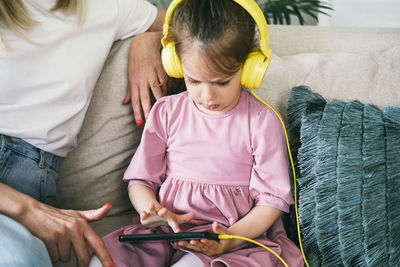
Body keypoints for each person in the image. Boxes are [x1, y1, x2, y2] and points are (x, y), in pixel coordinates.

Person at [93, 0, 305, 266]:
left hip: (233, 242)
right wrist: (150, 209)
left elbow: (272, 202)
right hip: (162, 235)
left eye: (222, 81)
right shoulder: (166, 112)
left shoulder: (262, 121)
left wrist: (232, 237)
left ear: (249, 67)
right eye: (193, 80)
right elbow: (140, 181)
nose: (207, 96)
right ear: (176, 64)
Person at [0, 0, 168, 266]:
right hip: (16, 198)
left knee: (23, 258)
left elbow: (191, 23)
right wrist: (26, 209)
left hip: (33, 177)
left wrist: (152, 39)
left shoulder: (107, 7)